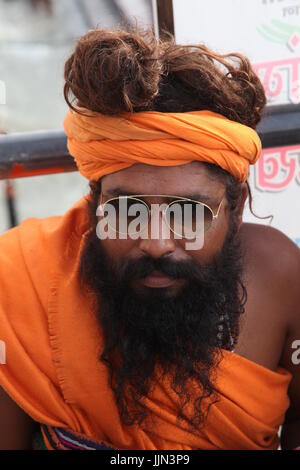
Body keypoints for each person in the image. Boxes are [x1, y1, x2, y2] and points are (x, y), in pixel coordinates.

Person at [0, 27, 299, 451]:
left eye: (190, 213)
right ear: (94, 204)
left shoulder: (283, 279)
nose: (157, 243)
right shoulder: (18, 286)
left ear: (235, 210)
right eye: (127, 211)